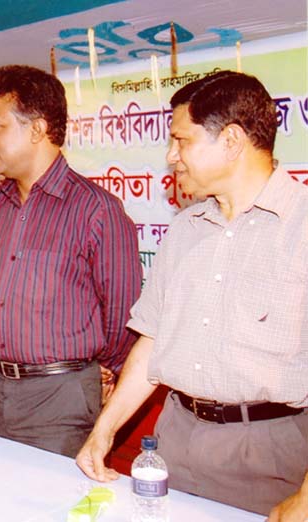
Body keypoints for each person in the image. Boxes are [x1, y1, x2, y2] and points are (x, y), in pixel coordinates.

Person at [75, 71, 308, 517]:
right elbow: (153, 343)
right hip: (175, 444)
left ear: (233, 141)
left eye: (182, 141)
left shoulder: (302, 226)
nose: (171, 156)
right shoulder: (184, 228)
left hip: (272, 458)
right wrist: (104, 431)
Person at [0, 65, 142, 458]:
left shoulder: (96, 210)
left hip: (58, 402)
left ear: (37, 129)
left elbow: (123, 314)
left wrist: (96, 371)